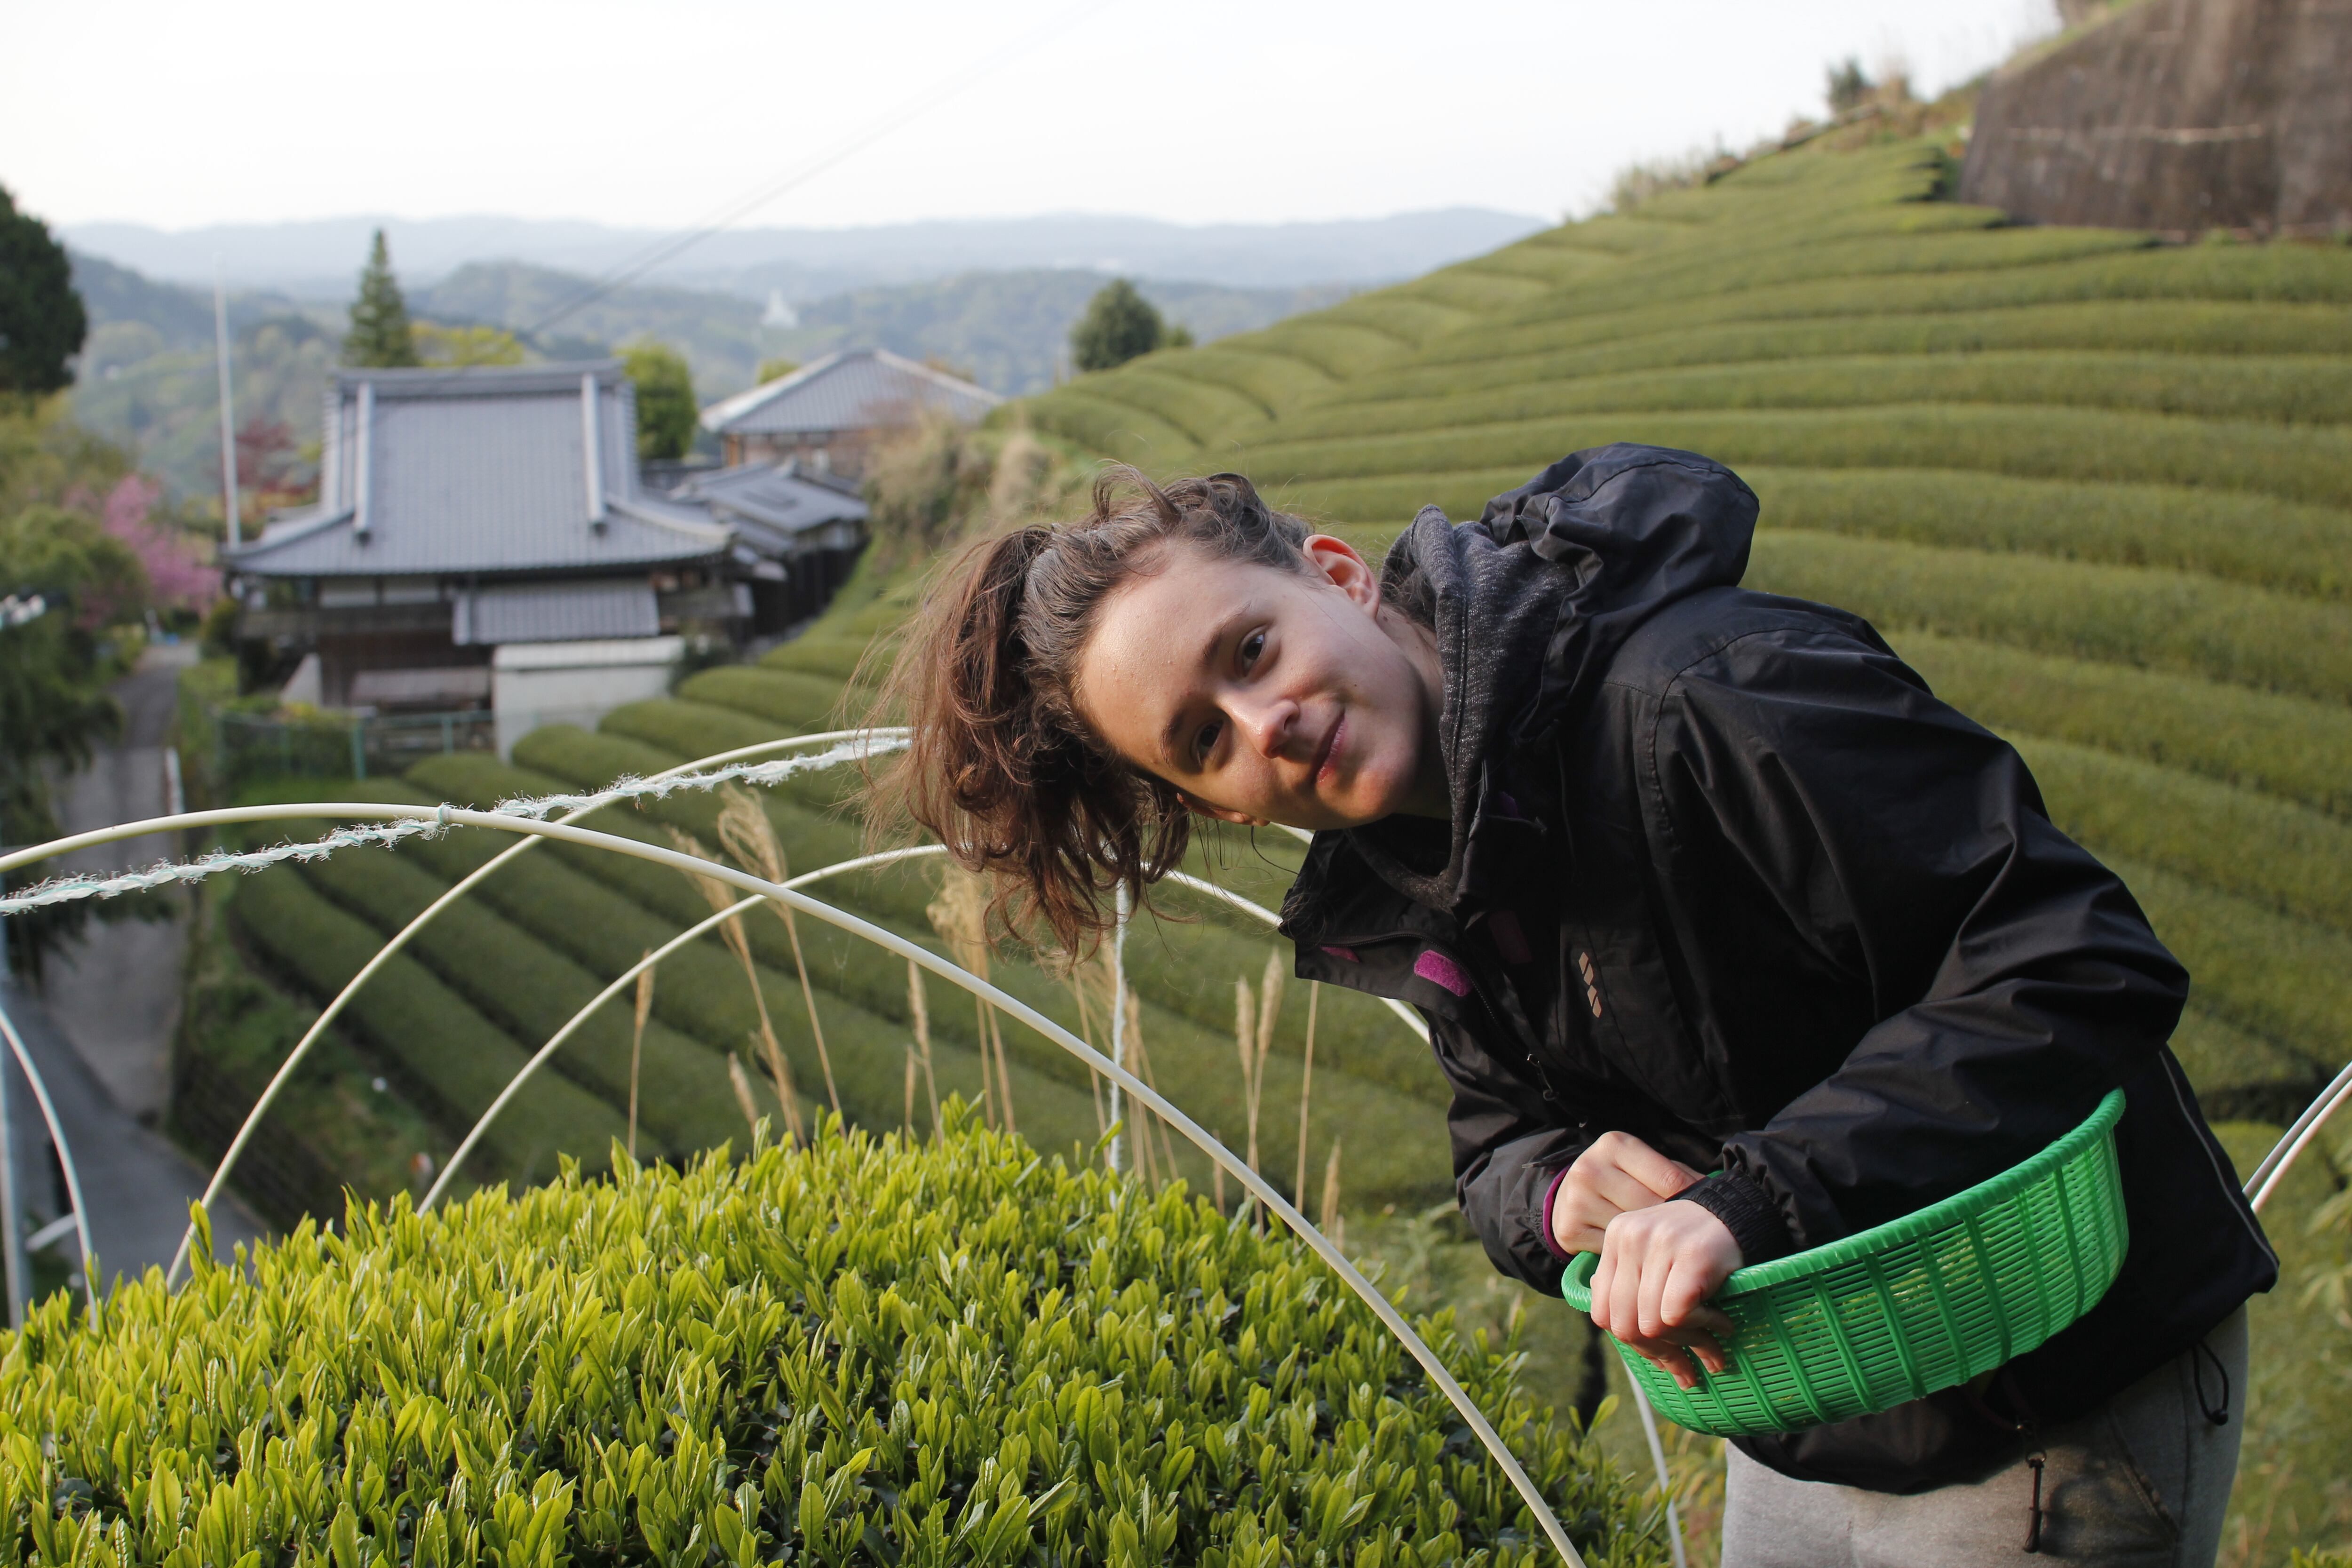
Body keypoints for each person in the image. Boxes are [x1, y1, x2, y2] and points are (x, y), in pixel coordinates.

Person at [875, 446, 2275, 1567]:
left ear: (1340, 577)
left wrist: (1753, 1204)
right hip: (1802, 1404)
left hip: (2048, 1385)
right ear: (1206, 802)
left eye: (1248, 653)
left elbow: (2073, 959)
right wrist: (1557, 1193)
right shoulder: (1410, 876)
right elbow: (1494, 1144)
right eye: (1203, 743)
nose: (1266, 727)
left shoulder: (1705, 696)